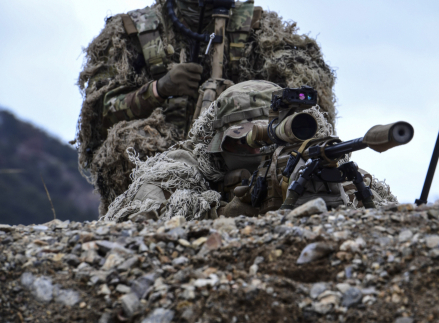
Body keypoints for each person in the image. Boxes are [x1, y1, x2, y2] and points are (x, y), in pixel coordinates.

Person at [74, 0, 337, 217]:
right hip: (160, 149)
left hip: (238, 145)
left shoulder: (255, 28)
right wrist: (159, 90)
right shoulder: (133, 32)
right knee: (129, 143)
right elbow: (97, 112)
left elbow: (307, 82)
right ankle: (143, 218)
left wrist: (256, 98)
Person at [103, 80, 397, 222]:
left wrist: (339, 199)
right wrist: (219, 215)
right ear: (216, 140)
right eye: (247, 140)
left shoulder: (316, 160)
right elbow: (135, 224)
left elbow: (383, 218)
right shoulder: (181, 168)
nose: (262, 151)